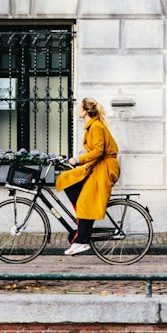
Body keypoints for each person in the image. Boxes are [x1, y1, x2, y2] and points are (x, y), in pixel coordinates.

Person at [54, 97, 120, 256]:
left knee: (86, 202)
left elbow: (98, 151)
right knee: (66, 179)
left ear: (85, 110)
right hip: (97, 166)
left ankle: (82, 241)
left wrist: (77, 159)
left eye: (79, 108)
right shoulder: (92, 126)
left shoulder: (96, 126)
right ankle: (83, 222)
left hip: (104, 168)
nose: (77, 110)